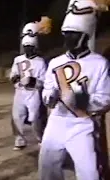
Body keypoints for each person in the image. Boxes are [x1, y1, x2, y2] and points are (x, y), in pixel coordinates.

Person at [39, 1, 110, 179]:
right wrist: (50, 96)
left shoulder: (100, 63)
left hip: (83, 124)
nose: (68, 38)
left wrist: (83, 100)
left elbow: (105, 98)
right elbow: (46, 92)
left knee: (90, 174)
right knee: (48, 171)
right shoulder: (55, 62)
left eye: (74, 34)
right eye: (66, 34)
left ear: (85, 36)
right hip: (56, 122)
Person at [9, 21, 49, 151]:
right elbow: (13, 74)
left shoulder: (40, 62)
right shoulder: (18, 59)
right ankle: (19, 139)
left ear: (35, 47)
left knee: (35, 117)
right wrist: (15, 79)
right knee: (17, 116)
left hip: (33, 93)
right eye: (25, 46)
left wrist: (32, 81)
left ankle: (40, 138)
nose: (27, 49)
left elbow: (44, 81)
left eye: (30, 47)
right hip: (20, 92)